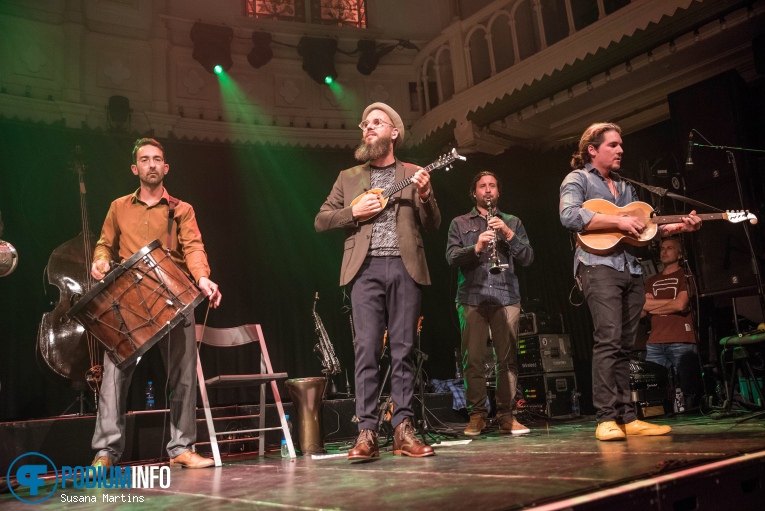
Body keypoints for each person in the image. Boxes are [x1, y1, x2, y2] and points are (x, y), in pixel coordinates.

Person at [559, 122, 701, 441]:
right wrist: (617, 219)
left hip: (630, 268)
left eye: (621, 144)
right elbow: (569, 216)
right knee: (608, 339)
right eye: (613, 145)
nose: (621, 149)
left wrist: (681, 228)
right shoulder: (577, 179)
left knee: (626, 345)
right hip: (596, 266)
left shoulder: (625, 187)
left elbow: (646, 228)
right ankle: (606, 418)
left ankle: (627, 417)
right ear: (592, 150)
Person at [315, 102, 440, 460]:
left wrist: (427, 195)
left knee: (403, 350)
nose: (367, 128)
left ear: (394, 133)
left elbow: (432, 223)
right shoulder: (348, 177)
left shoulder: (415, 173)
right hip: (365, 270)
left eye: (376, 123)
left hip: (405, 267)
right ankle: (366, 431)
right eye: (365, 124)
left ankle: (403, 428)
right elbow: (321, 220)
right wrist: (351, 212)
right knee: (366, 349)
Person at [90, 138, 222, 468]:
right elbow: (105, 245)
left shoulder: (182, 209)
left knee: (183, 375)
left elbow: (193, 248)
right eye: (145, 159)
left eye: (157, 159)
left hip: (174, 296)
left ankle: (181, 449)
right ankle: (106, 451)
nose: (151, 164)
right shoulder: (118, 206)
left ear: (166, 168)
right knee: (114, 375)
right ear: (135, 168)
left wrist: (202, 277)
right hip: (129, 299)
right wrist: (100, 261)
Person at [446, 171, 534, 436]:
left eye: (492, 186)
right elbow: (451, 258)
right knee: (472, 359)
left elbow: (528, 257)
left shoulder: (512, 222)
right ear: (474, 193)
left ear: (498, 192)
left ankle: (507, 416)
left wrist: (507, 233)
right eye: (482, 186)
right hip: (472, 297)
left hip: (506, 296)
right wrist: (476, 248)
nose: (487, 190)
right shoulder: (459, 223)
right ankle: (477, 416)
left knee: (506, 360)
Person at [642, 237, 699, 412]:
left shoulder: (686, 275)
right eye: (662, 248)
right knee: (653, 387)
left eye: (670, 248)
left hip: (681, 338)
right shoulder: (651, 281)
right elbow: (642, 309)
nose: (664, 251)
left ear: (680, 254)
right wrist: (670, 303)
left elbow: (681, 304)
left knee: (689, 388)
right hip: (655, 342)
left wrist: (654, 306)